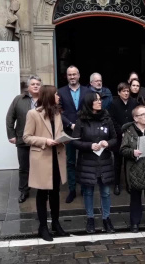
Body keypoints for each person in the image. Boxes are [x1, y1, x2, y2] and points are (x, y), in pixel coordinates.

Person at [23, 85, 69, 242]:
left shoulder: (57, 113)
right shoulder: (33, 114)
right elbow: (27, 137)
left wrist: (64, 138)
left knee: (55, 192)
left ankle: (56, 223)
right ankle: (43, 226)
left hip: (57, 157)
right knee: (42, 194)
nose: (58, 97)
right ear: (49, 96)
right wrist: (45, 141)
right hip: (42, 159)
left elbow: (60, 133)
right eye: (56, 94)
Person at [71, 92, 117, 234]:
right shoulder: (81, 120)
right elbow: (75, 141)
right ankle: (90, 218)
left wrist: (107, 143)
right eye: (96, 100)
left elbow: (115, 138)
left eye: (100, 100)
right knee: (88, 192)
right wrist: (89, 146)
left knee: (106, 192)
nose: (100, 102)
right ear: (90, 102)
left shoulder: (106, 118)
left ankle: (106, 218)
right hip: (87, 162)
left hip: (104, 162)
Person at [6, 76, 41, 203]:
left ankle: (41, 190)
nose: (36, 86)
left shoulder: (44, 100)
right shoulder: (19, 99)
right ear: (28, 87)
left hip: (40, 139)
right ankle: (24, 191)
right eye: (33, 84)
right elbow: (10, 117)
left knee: (40, 166)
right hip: (23, 139)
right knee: (24, 167)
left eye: (38, 84)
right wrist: (11, 135)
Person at [58, 65, 90, 203]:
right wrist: (70, 124)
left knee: (83, 160)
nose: (72, 77)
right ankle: (72, 189)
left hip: (85, 131)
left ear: (79, 75)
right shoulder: (61, 92)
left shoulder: (87, 91)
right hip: (69, 131)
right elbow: (58, 111)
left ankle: (84, 188)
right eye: (69, 75)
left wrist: (81, 123)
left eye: (74, 74)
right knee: (70, 161)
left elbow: (90, 109)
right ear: (67, 76)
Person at [109, 82, 137, 196]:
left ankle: (129, 184)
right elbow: (112, 120)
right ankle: (116, 184)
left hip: (131, 137)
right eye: (123, 91)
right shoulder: (113, 104)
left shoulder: (134, 103)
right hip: (119, 137)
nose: (126, 93)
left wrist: (130, 132)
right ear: (119, 93)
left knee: (129, 162)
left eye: (127, 91)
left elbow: (136, 118)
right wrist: (121, 131)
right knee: (117, 162)